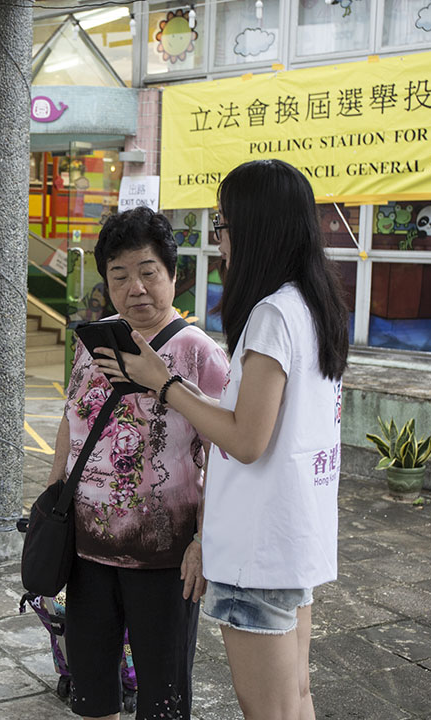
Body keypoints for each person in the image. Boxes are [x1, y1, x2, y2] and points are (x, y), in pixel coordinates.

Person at [96, 159, 349, 720]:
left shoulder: (272, 316)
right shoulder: (313, 306)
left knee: (270, 710)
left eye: (223, 224)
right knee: (295, 700)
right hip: (292, 537)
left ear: (257, 229)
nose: (219, 238)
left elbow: (246, 439)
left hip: (258, 546)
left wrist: (164, 384)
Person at [48, 207, 230, 720]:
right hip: (86, 554)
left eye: (148, 272)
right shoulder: (95, 340)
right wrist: (53, 493)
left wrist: (203, 540)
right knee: (91, 688)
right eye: (120, 275)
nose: (136, 288)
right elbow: (72, 416)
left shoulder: (199, 353)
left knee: (162, 696)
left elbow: (225, 453)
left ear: (173, 275)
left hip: (164, 559)